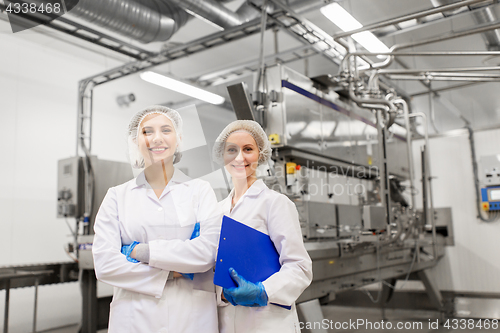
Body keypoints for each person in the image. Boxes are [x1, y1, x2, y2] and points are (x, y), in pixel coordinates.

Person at [92, 105, 221, 333]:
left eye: (166, 130)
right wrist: (173, 271)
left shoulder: (201, 191)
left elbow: (208, 253)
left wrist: (140, 252)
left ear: (179, 139)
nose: (157, 138)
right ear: (135, 141)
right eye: (147, 132)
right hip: (133, 318)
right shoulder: (116, 196)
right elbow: (105, 264)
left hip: (191, 317)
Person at [213, 120, 313, 333]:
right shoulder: (216, 211)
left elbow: (300, 267)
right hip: (225, 321)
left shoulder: (276, 203)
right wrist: (221, 293)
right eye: (232, 150)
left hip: (268, 323)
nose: (240, 157)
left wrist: (263, 291)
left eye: (248, 149)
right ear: (223, 156)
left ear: (260, 154)